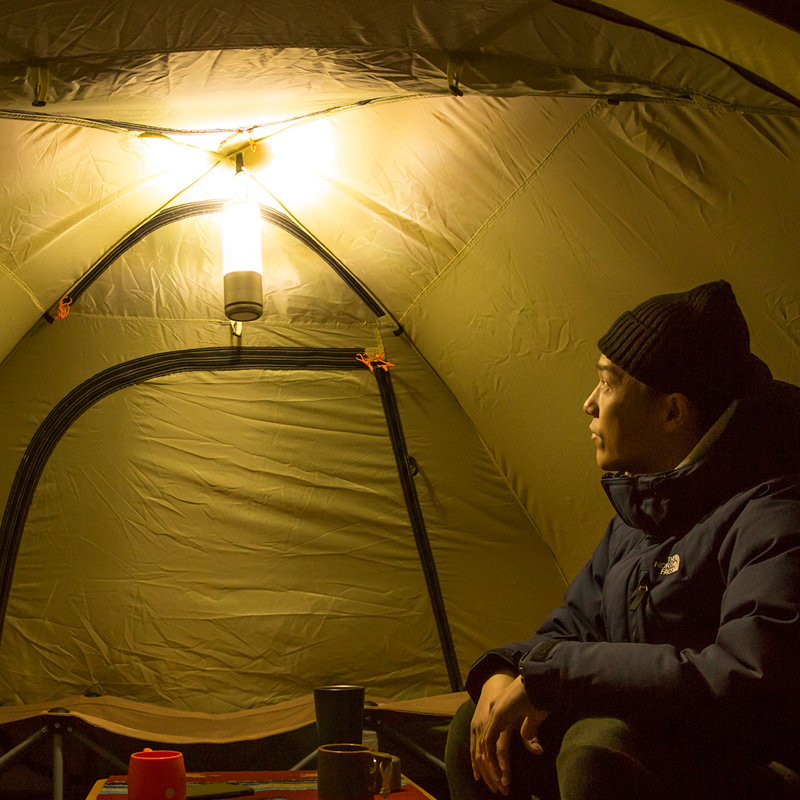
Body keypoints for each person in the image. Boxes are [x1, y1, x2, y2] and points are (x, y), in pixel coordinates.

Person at [445, 280, 800, 800]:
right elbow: (573, 630)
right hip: (664, 745)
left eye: (607, 384)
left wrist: (557, 677)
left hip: (756, 763)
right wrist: (504, 671)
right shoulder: (643, 515)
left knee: (597, 746)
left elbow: (743, 679)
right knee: (474, 726)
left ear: (673, 411)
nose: (589, 404)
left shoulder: (775, 511)